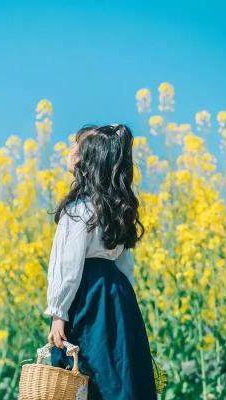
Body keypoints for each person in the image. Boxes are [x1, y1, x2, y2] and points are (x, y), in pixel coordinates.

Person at [44, 124, 157, 399]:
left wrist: (58, 314)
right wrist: (125, 307)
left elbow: (67, 266)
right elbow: (124, 264)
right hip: (117, 298)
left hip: (88, 299)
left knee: (86, 373)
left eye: (76, 146)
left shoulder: (78, 209)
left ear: (88, 160)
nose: (70, 151)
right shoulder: (112, 208)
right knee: (119, 373)